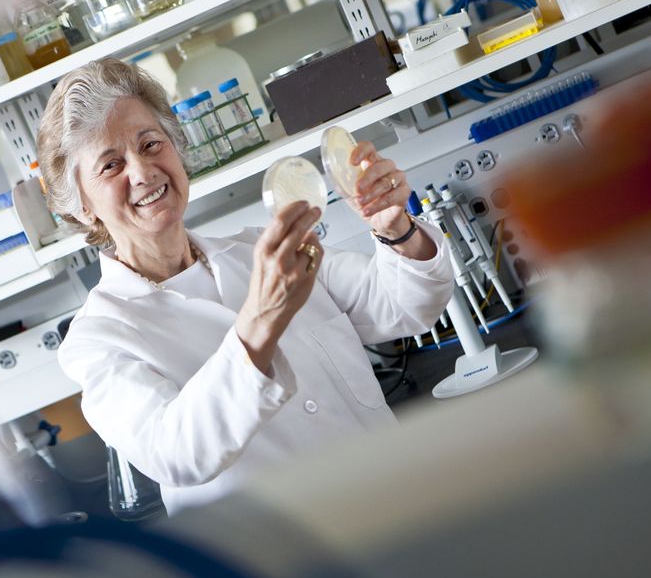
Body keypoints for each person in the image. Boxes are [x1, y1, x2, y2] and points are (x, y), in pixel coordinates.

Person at [38, 58, 453, 514]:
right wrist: (260, 319)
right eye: (111, 165)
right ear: (81, 208)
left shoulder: (258, 248)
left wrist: (394, 230)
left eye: (151, 144)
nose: (142, 172)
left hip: (404, 504)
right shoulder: (97, 340)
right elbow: (176, 454)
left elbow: (407, 307)